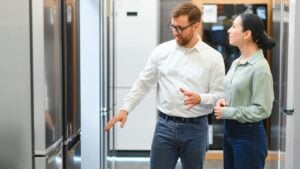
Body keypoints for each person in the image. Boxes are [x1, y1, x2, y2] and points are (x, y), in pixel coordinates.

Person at [105, 2, 225, 169]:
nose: (175, 32)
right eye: (172, 26)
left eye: (180, 28)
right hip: (165, 126)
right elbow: (143, 83)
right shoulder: (161, 51)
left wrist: (200, 98)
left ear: (196, 26)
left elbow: (219, 95)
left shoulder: (213, 57)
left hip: (196, 129)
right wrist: (126, 109)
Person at [214, 13, 275, 169]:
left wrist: (229, 112)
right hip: (230, 133)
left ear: (247, 34)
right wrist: (224, 101)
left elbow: (263, 110)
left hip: (249, 137)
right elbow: (233, 92)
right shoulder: (236, 62)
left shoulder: (260, 67)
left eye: (234, 26)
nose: (228, 30)